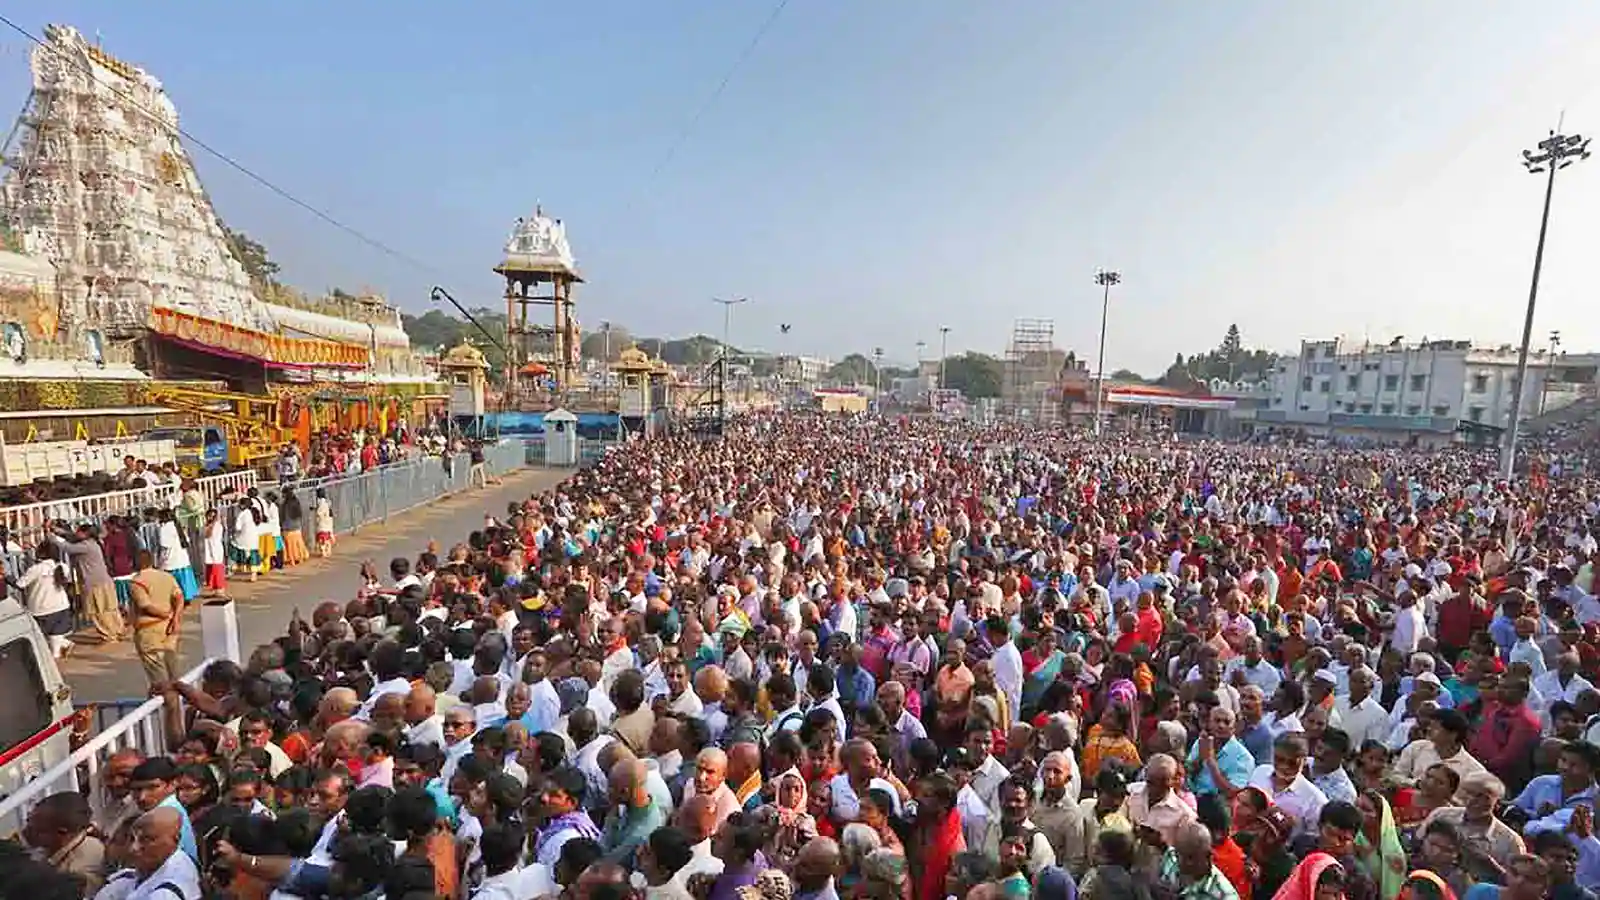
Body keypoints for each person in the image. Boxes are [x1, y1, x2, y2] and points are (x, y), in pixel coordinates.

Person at [129, 550, 185, 688]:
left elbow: (145, 606)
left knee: (158, 675)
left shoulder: (137, 582)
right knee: (173, 668)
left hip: (149, 629)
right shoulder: (166, 576)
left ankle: (167, 704)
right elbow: (179, 597)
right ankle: (181, 701)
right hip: (169, 628)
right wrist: (175, 618)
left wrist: (165, 615)